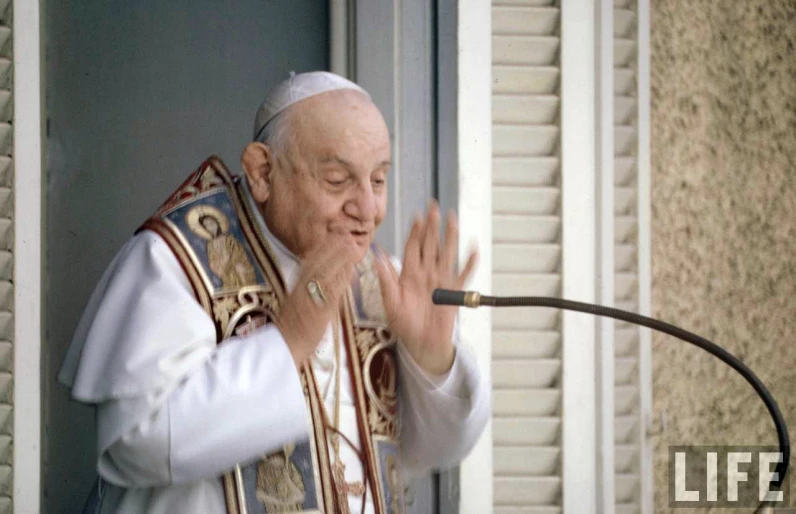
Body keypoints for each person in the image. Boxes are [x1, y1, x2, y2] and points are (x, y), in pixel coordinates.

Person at [59, 71, 490, 514]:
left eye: (378, 180)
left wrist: (431, 362)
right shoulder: (175, 260)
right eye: (339, 180)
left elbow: (439, 450)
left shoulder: (381, 280)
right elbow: (137, 443)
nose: (367, 210)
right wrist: (290, 338)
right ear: (263, 172)